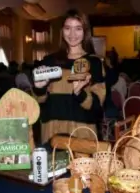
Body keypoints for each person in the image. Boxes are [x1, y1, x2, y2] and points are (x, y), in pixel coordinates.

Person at [32, 9, 106, 147]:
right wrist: (39, 89)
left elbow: (97, 106)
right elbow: (39, 102)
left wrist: (80, 93)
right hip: (51, 134)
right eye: (67, 28)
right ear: (62, 31)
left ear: (85, 32)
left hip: (82, 135)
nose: (72, 34)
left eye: (78, 28)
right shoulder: (49, 61)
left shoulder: (94, 62)